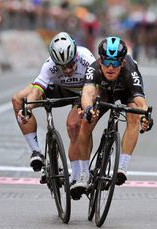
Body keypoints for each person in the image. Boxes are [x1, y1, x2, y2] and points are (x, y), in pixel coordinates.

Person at [71, 36, 153, 198]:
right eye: (106, 61)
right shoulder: (94, 68)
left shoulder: (130, 69)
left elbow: (140, 100)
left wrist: (145, 115)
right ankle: (84, 174)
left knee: (134, 115)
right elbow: (87, 92)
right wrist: (88, 109)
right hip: (103, 93)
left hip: (126, 92)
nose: (110, 67)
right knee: (85, 122)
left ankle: (122, 166)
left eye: (115, 63)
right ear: (100, 60)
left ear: (122, 62)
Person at [11, 31, 96, 184]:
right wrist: (27, 109)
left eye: (70, 64)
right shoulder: (49, 64)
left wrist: (87, 107)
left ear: (75, 55)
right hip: (58, 89)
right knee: (18, 100)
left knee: (73, 125)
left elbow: (94, 90)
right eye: (62, 67)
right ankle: (36, 152)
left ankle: (77, 176)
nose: (68, 70)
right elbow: (37, 89)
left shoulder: (87, 58)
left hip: (81, 93)